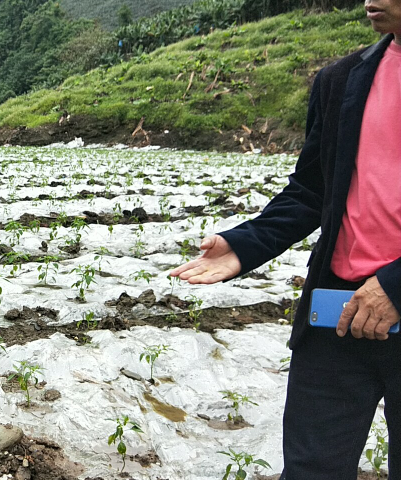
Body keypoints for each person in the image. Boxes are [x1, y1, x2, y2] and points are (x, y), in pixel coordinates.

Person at [171, 1, 401, 478]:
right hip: (336, 315)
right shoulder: (341, 79)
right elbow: (313, 187)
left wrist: (395, 286)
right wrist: (247, 243)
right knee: (312, 468)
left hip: (391, 300)